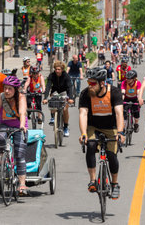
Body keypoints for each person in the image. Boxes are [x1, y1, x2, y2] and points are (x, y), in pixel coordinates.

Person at [78, 67, 125, 199]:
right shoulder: (85, 94)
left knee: (111, 155)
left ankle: (115, 184)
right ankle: (93, 180)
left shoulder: (114, 92)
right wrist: (83, 134)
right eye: (89, 83)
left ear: (102, 83)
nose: (90, 86)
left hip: (111, 127)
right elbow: (83, 114)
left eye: (93, 83)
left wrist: (120, 132)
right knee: (91, 145)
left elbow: (119, 113)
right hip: (93, 126)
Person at [0, 76, 29, 195]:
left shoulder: (21, 97)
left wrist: (22, 126)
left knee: (19, 154)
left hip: (19, 126)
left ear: (15, 90)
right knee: (0, 137)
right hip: (4, 125)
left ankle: (22, 184)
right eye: (5, 88)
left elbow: (22, 113)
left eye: (10, 89)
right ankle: (3, 157)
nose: (7, 91)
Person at [43, 61, 74, 136]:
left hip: (64, 92)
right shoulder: (52, 75)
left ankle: (66, 127)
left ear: (62, 69)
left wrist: (70, 98)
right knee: (53, 103)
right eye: (56, 69)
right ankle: (53, 117)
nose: (57, 71)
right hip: (55, 91)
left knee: (65, 109)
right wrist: (45, 98)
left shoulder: (66, 76)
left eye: (59, 69)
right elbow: (48, 86)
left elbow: (69, 87)